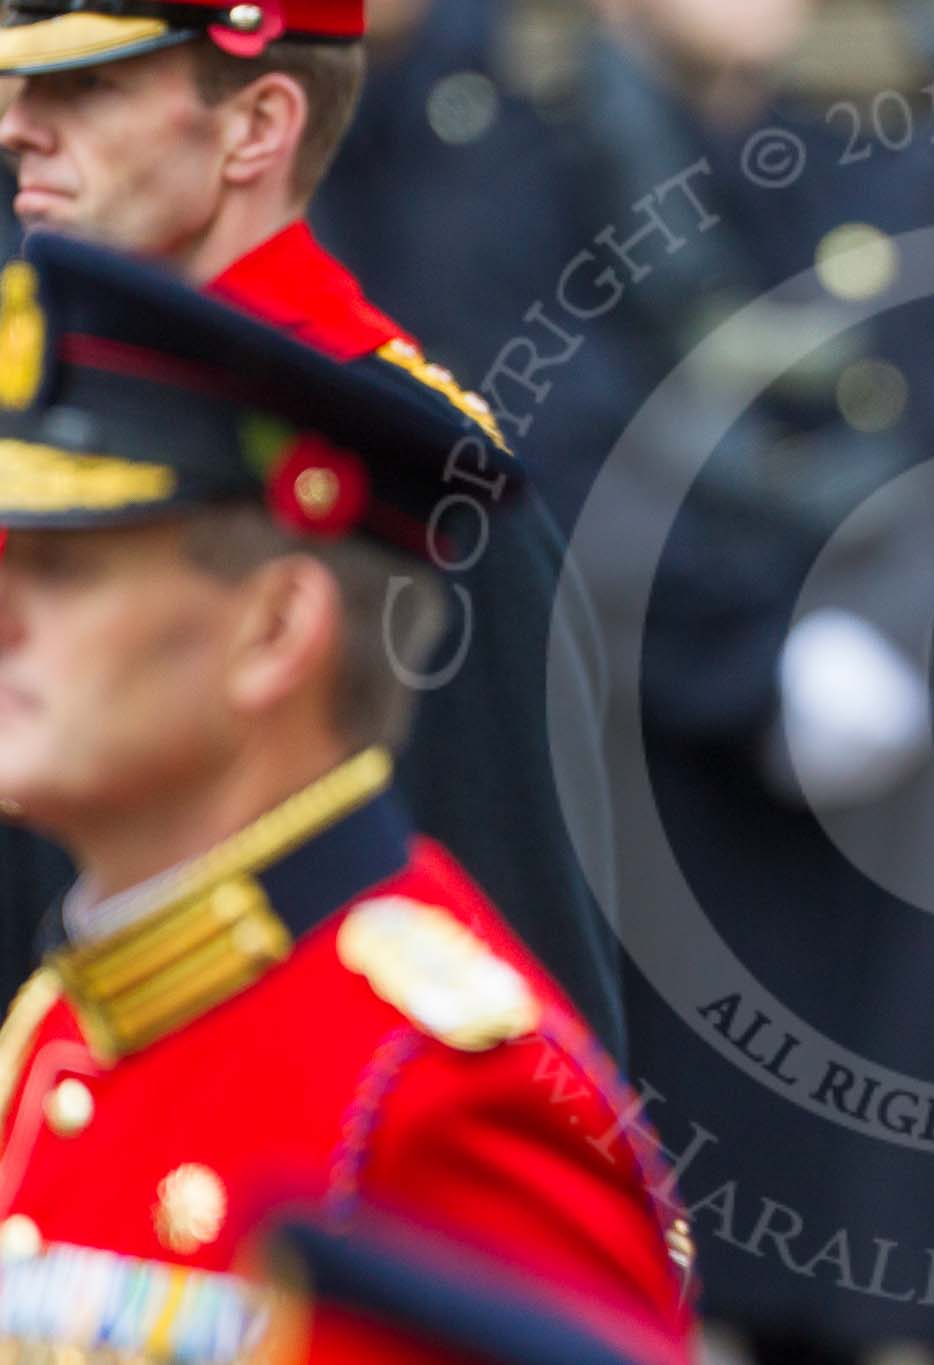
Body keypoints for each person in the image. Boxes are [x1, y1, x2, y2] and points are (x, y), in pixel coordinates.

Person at [0, 231, 692, 1362]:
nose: (4, 611)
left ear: (275, 631)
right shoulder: (71, 1023)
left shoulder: (442, 1092)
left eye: (65, 571)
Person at [0, 0, 625, 1055]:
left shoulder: (408, 482)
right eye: (25, 85)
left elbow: (521, 1011)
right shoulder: (45, 422)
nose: (19, 125)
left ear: (255, 128)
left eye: (91, 87)